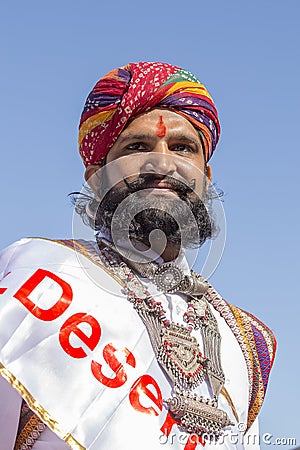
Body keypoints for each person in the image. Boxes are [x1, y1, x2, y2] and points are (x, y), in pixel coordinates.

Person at [0, 61, 276, 450]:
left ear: (206, 176)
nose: (163, 163)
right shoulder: (38, 274)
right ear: (96, 179)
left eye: (182, 148)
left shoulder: (248, 344)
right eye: (137, 147)